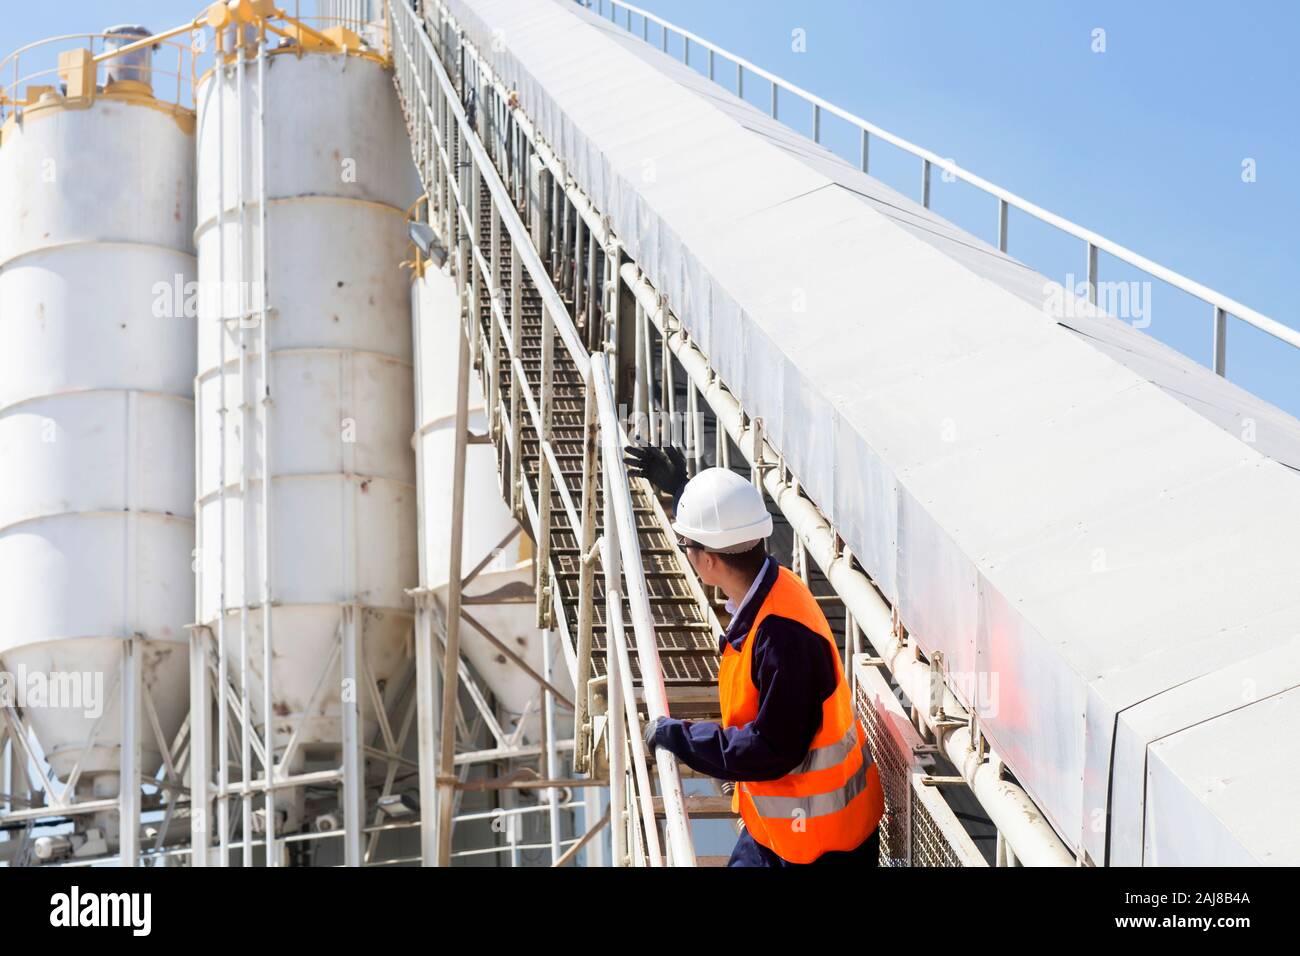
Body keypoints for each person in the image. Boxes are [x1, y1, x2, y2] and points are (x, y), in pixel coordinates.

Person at [625, 445, 886, 867]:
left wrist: (680, 737)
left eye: (685, 543)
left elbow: (770, 750)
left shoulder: (781, 639)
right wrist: (684, 490)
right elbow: (731, 533)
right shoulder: (776, 585)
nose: (684, 552)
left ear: (707, 561)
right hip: (784, 826)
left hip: (819, 847)